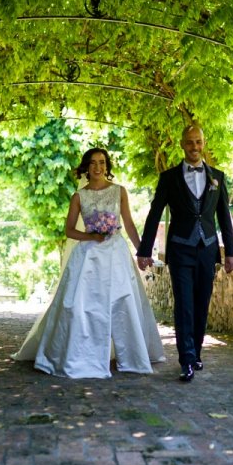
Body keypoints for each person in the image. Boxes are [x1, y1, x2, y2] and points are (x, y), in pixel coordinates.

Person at [13, 148, 165, 378]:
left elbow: (130, 224)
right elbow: (70, 230)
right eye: (93, 163)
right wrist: (91, 236)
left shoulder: (119, 192)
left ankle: (131, 356)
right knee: (80, 305)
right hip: (88, 257)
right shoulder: (79, 196)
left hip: (116, 254)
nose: (98, 167)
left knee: (123, 302)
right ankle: (81, 355)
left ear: (107, 166)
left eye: (102, 163)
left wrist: (142, 251)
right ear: (86, 167)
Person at [137, 124, 233, 382]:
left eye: (198, 142)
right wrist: (144, 250)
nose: (194, 147)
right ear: (182, 145)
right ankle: (186, 360)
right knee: (184, 305)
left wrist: (230, 253)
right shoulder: (169, 178)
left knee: (202, 303)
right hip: (181, 249)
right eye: (190, 142)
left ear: (204, 144)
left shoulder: (218, 177)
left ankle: (197, 352)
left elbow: (224, 217)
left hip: (208, 250)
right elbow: (155, 213)